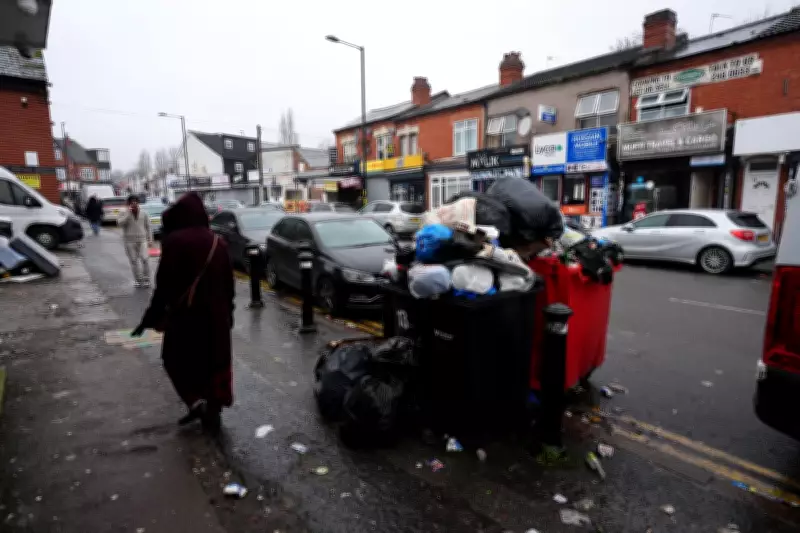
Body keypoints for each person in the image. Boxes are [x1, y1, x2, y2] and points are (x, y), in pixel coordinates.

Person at [131, 193, 235, 432]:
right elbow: (229, 287)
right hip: (217, 318)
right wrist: (229, 314)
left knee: (174, 359)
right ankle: (213, 408)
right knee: (213, 363)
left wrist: (149, 319)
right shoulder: (218, 242)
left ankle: (196, 403)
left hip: (187, 319)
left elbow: (164, 288)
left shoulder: (176, 242)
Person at [118, 195, 153, 288]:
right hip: (129, 241)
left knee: (145, 259)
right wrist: (128, 214)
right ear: (129, 203)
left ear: (138, 203)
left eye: (135, 202)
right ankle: (138, 280)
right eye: (132, 202)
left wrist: (150, 239)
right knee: (134, 261)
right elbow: (119, 223)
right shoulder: (123, 212)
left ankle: (146, 279)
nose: (134, 204)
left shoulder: (144, 213)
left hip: (142, 240)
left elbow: (148, 227)